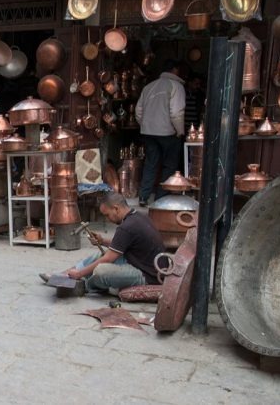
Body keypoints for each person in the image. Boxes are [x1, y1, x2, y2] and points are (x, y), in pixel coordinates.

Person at [39, 193, 166, 295]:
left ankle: (84, 286)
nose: (107, 219)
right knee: (98, 257)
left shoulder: (127, 226)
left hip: (148, 276)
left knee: (101, 271)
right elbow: (122, 244)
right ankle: (63, 275)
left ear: (116, 208)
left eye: (107, 215)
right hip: (144, 264)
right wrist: (102, 241)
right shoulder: (137, 216)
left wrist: (80, 274)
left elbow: (109, 258)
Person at [135, 59, 186, 206]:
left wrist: (146, 125)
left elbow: (139, 112)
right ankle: (161, 198)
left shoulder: (149, 86)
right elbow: (176, 112)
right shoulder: (176, 86)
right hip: (168, 133)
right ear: (175, 70)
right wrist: (180, 132)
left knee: (150, 163)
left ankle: (143, 197)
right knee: (169, 166)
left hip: (149, 133)